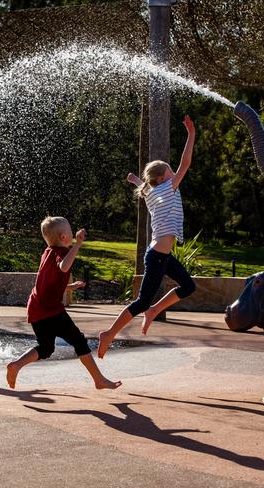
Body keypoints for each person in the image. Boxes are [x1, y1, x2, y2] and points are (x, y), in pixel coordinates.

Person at [98, 115, 197, 358]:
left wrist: (135, 179)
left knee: (188, 286)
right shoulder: (168, 186)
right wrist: (191, 134)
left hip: (162, 256)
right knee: (141, 301)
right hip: (156, 257)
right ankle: (109, 334)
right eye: (170, 170)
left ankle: (153, 311)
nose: (175, 172)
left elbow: (145, 184)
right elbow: (186, 163)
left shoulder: (152, 191)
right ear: (164, 178)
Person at [7, 216, 121, 390]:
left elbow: (48, 282)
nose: (72, 233)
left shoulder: (47, 252)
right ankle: (99, 380)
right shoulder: (61, 253)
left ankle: (16, 365)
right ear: (63, 237)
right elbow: (63, 268)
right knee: (79, 342)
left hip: (37, 308)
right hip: (51, 311)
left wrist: (68, 287)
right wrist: (78, 245)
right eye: (70, 231)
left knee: (45, 348)